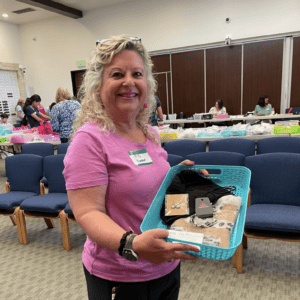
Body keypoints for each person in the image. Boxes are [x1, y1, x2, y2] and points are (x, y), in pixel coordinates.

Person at [63, 35, 209, 300]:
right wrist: (131, 243)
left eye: (137, 73)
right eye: (117, 74)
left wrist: (180, 178)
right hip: (120, 274)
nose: (129, 82)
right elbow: (87, 212)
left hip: (164, 263)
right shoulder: (90, 139)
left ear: (147, 84)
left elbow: (150, 189)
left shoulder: (148, 132)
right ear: (98, 86)